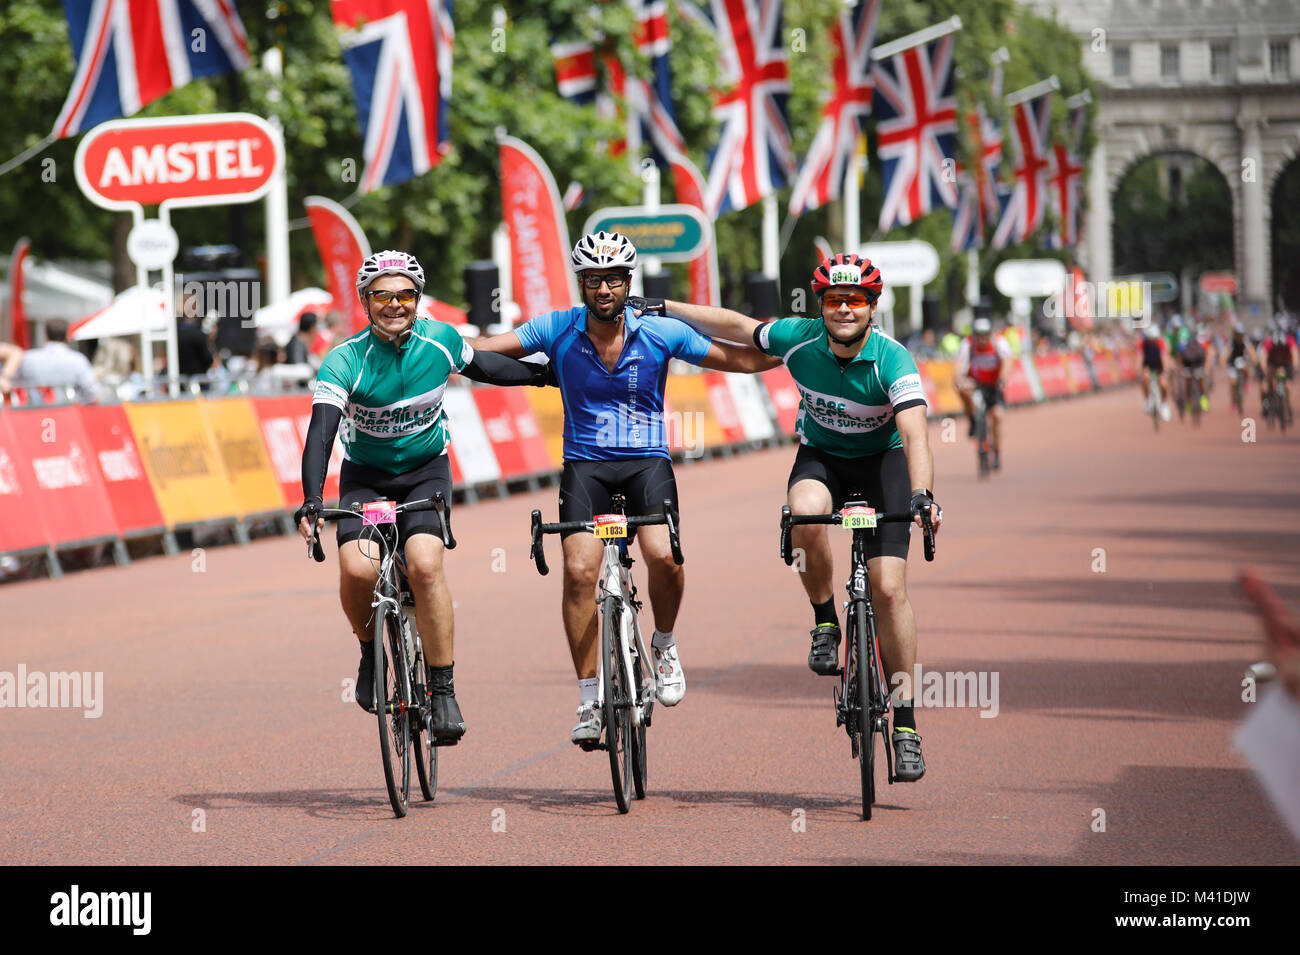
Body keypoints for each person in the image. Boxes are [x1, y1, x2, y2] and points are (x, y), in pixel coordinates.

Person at [473, 231, 778, 746]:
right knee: (577, 572)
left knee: (665, 557)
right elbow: (481, 351)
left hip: (646, 465)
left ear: (628, 282)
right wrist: (429, 348)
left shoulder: (660, 332)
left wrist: (799, 349)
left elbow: (743, 359)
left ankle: (663, 642)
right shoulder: (557, 328)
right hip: (585, 468)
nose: (604, 289)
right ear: (582, 284)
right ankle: (590, 697)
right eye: (593, 280)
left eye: (614, 279)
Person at [659, 253, 942, 782]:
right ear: (821, 305)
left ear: (873, 307)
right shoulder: (800, 337)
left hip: (884, 465)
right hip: (823, 460)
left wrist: (923, 493)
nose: (844, 309)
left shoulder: (893, 360)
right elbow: (736, 325)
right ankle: (826, 622)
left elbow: (916, 434)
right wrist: (665, 307)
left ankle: (905, 724)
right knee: (805, 517)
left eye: (855, 299)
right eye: (834, 300)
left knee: (887, 587)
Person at [293, 250, 553, 743]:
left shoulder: (440, 341)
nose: (395, 305)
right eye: (382, 296)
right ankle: (370, 651)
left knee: (425, 564)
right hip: (365, 478)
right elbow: (321, 434)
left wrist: (547, 375)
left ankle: (443, 688)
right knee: (357, 569)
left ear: (418, 298)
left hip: (424, 473)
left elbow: (491, 368)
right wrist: (312, 500)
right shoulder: (346, 359)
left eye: (405, 295)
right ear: (366, 303)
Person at [955, 317, 1012, 469]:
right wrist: (959, 380)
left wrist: (1003, 379)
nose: (982, 338)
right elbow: (959, 365)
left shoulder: (999, 342)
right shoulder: (968, 343)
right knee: (962, 389)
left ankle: (997, 451)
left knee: (997, 416)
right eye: (979, 334)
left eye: (985, 334)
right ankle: (972, 419)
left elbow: (1007, 362)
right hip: (976, 383)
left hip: (994, 385)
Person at [0, 319, 100, 402]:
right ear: (67, 336)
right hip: (70, 415)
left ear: (46, 335)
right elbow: (93, 393)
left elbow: (14, 385)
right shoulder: (78, 360)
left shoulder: (28, 358)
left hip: (35, 415)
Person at [1138, 324, 1172, 421]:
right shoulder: (1142, 343)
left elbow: (1164, 358)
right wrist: (1140, 371)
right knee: (1145, 378)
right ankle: (1147, 400)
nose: (1153, 341)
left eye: (1154, 339)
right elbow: (1139, 359)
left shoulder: (1161, 342)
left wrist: (1165, 371)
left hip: (1159, 365)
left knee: (1163, 384)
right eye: (1151, 339)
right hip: (1148, 365)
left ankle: (1164, 404)